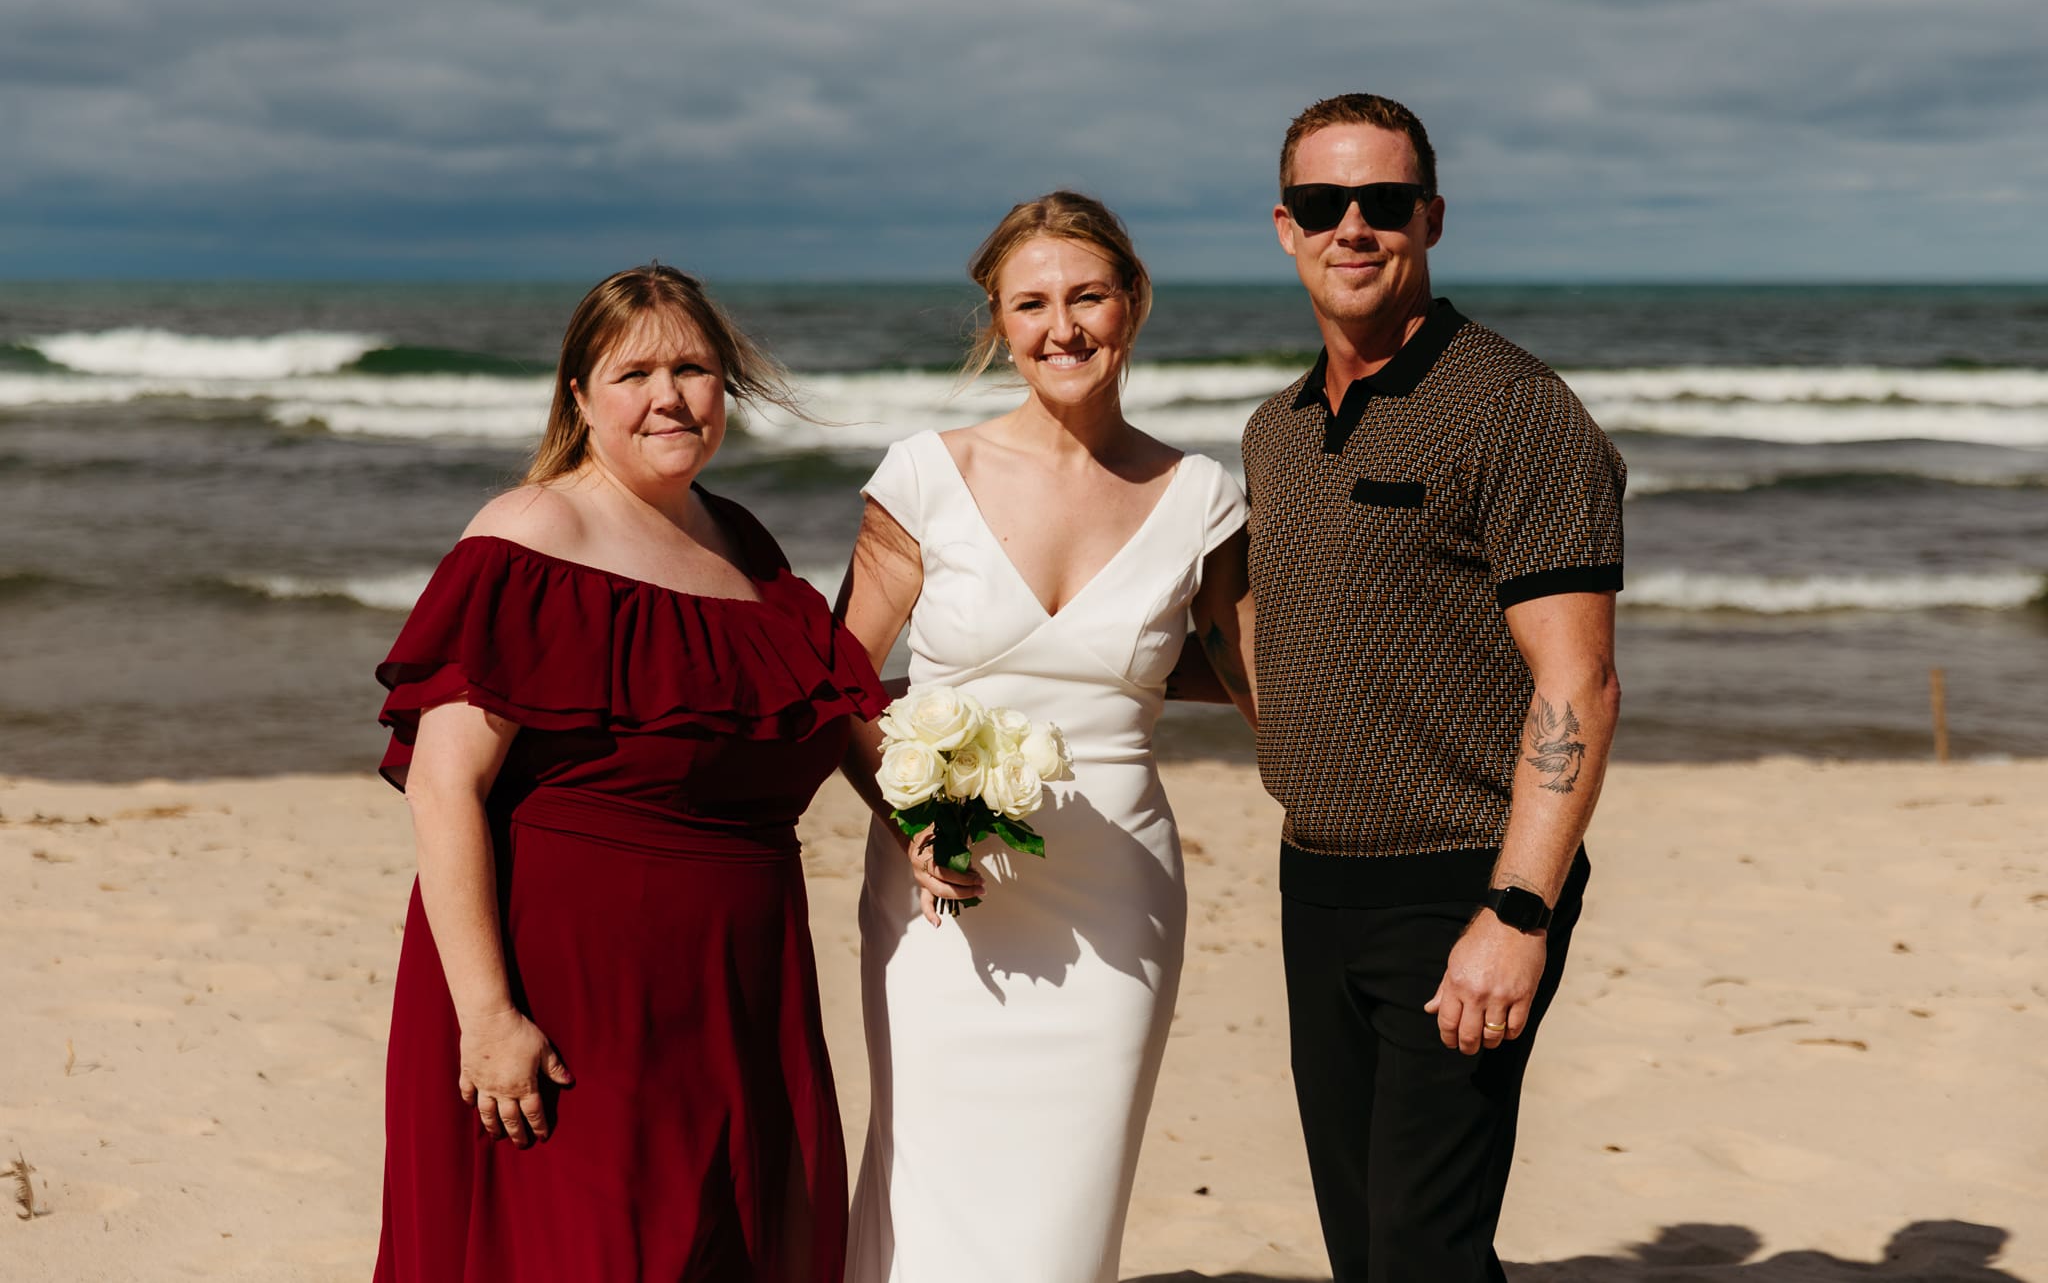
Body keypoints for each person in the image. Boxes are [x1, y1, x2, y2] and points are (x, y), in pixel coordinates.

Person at [370, 265, 884, 1282]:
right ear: (579, 395)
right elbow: (444, 787)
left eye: (693, 368)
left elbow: (825, 712)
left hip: (739, 989)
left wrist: (932, 808)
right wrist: (488, 1018)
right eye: (634, 371)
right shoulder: (529, 535)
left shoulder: (741, 543)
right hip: (567, 989)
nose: (669, 397)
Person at [836, 192, 1257, 1283]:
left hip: (1116, 888)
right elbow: (834, 685)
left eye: (1086, 297)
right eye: (1031, 305)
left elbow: (1264, 685)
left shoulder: (1201, 497)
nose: (1061, 328)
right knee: (925, 1182)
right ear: (997, 321)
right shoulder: (927, 476)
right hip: (938, 885)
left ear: (1133, 303)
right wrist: (904, 821)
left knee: (1066, 1211)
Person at [1242, 93, 1626, 1283]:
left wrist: (1517, 915)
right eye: (1322, 204)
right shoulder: (1276, 430)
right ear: (1284, 226)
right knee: (1363, 1244)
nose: (1351, 227)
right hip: (1313, 886)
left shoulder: (1516, 412)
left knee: (1424, 1246)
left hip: (1460, 889)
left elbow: (1580, 682)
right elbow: (1280, 640)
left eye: (1382, 202)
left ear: (1431, 217)